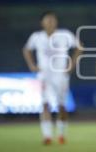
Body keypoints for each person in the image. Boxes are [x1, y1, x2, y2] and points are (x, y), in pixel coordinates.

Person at [23, 11, 81, 145]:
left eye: (52, 20)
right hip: (44, 75)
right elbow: (26, 49)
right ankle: (47, 136)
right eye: (47, 20)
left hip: (61, 75)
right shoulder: (37, 37)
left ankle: (61, 133)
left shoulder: (65, 35)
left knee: (61, 106)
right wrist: (32, 65)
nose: (50, 22)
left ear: (56, 22)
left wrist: (71, 65)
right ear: (42, 23)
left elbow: (79, 47)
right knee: (45, 104)